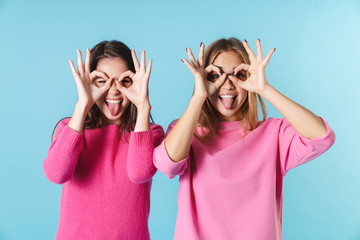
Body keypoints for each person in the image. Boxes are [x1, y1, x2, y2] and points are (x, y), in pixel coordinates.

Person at [153, 38, 335, 240]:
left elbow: (321, 136)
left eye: (239, 75)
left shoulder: (273, 134)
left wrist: (265, 89)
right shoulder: (187, 132)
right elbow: (167, 165)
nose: (227, 84)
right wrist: (198, 97)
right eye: (215, 76)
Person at [43, 40, 164, 240]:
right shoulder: (71, 128)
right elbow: (56, 174)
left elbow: (139, 173)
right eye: (102, 80)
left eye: (124, 81)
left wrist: (143, 106)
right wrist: (83, 104)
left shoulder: (150, 133)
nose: (113, 89)